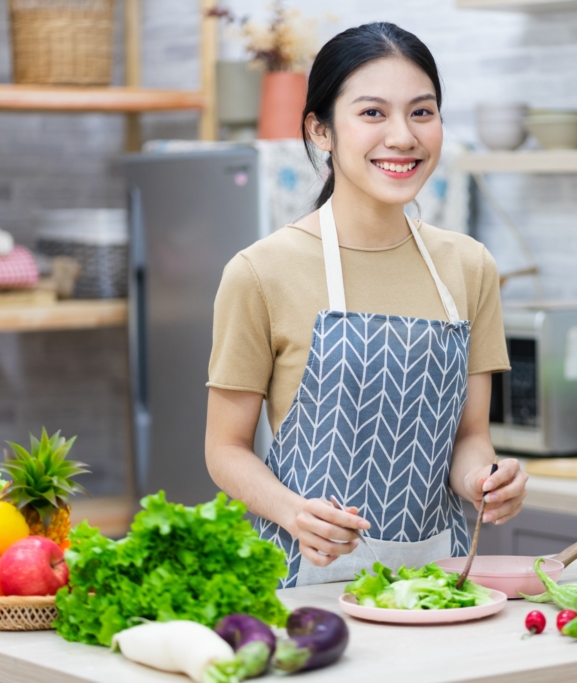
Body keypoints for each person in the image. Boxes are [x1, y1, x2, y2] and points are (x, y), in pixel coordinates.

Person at [204, 22, 527, 588]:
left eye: (422, 113)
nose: (402, 137)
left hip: (440, 582)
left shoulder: (470, 266)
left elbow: (470, 435)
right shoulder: (260, 272)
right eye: (373, 113)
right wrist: (291, 511)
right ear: (321, 131)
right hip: (307, 582)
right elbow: (225, 449)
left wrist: (486, 479)